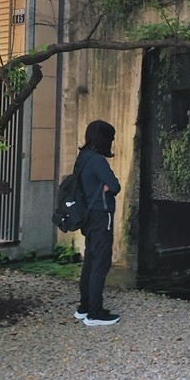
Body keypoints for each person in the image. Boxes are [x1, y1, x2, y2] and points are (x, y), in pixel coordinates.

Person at [73, 120, 122, 326]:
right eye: (110, 138)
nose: (111, 142)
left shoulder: (83, 157)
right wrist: (106, 186)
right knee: (100, 262)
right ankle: (95, 313)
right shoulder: (98, 160)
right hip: (102, 215)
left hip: (88, 215)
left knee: (90, 261)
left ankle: (84, 307)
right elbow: (115, 186)